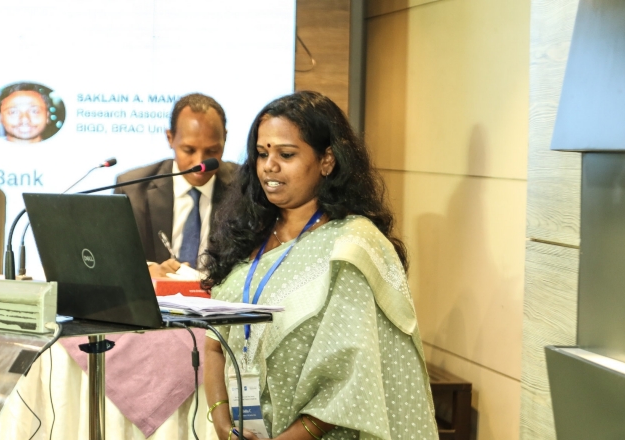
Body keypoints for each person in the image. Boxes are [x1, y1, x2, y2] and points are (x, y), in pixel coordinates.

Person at [203, 91, 439, 440]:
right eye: (262, 153)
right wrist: (221, 421)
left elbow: (352, 381)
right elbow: (213, 343)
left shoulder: (352, 245)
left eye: (286, 154)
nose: (270, 165)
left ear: (327, 161)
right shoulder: (249, 234)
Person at [115, 93, 238, 278]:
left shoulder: (243, 189)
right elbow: (118, 259)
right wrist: (148, 271)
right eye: (189, 150)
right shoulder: (133, 190)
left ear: (225, 139)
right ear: (170, 138)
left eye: (212, 151)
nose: (200, 162)